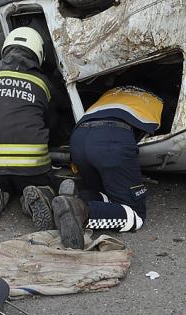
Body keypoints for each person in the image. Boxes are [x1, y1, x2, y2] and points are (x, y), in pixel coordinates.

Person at [0, 27, 55, 237]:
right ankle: (37, 195)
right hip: (31, 163)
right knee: (40, 182)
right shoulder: (43, 83)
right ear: (39, 53)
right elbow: (52, 122)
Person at [52, 86, 163, 249]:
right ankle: (82, 213)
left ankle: (66, 201)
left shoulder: (111, 92)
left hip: (79, 138)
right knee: (136, 215)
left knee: (104, 192)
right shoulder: (158, 99)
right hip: (113, 139)